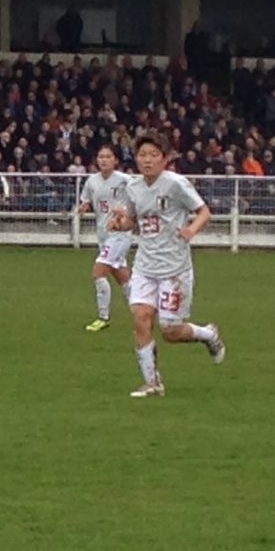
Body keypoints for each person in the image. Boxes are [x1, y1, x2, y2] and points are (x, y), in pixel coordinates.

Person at [107, 132, 225, 397]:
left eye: (153, 155)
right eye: (142, 155)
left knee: (171, 331)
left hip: (174, 268)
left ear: (165, 159)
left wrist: (191, 230)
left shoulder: (176, 184)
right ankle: (152, 382)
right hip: (145, 265)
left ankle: (208, 334)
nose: (147, 160)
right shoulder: (133, 187)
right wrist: (119, 224)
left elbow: (204, 211)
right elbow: (133, 220)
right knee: (140, 318)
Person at [75, 144, 134, 331]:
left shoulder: (126, 180)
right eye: (101, 157)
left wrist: (124, 212)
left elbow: (139, 200)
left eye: (108, 157)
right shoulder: (92, 181)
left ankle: (103, 317)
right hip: (103, 235)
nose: (104, 160)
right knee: (123, 277)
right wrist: (83, 207)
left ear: (115, 160)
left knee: (98, 272)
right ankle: (144, 311)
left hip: (120, 234)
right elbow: (86, 200)